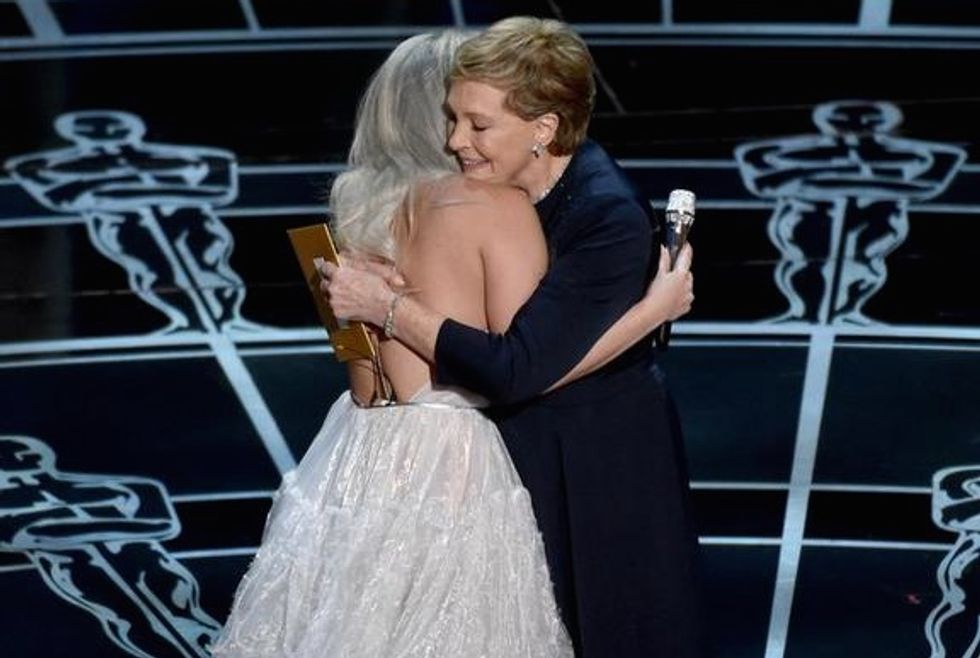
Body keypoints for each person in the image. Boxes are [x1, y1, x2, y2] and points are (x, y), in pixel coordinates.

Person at [320, 17, 703, 658]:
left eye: (478, 125)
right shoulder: (476, 198)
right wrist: (647, 317)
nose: (455, 141)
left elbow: (512, 371)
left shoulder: (605, 215)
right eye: (452, 119)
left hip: (595, 462)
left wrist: (387, 308)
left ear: (544, 129)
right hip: (500, 452)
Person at [211, 31, 579, 657]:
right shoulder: (495, 207)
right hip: (450, 459)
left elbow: (361, 359)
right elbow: (525, 363)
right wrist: (648, 313)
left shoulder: (357, 208)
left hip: (353, 447)